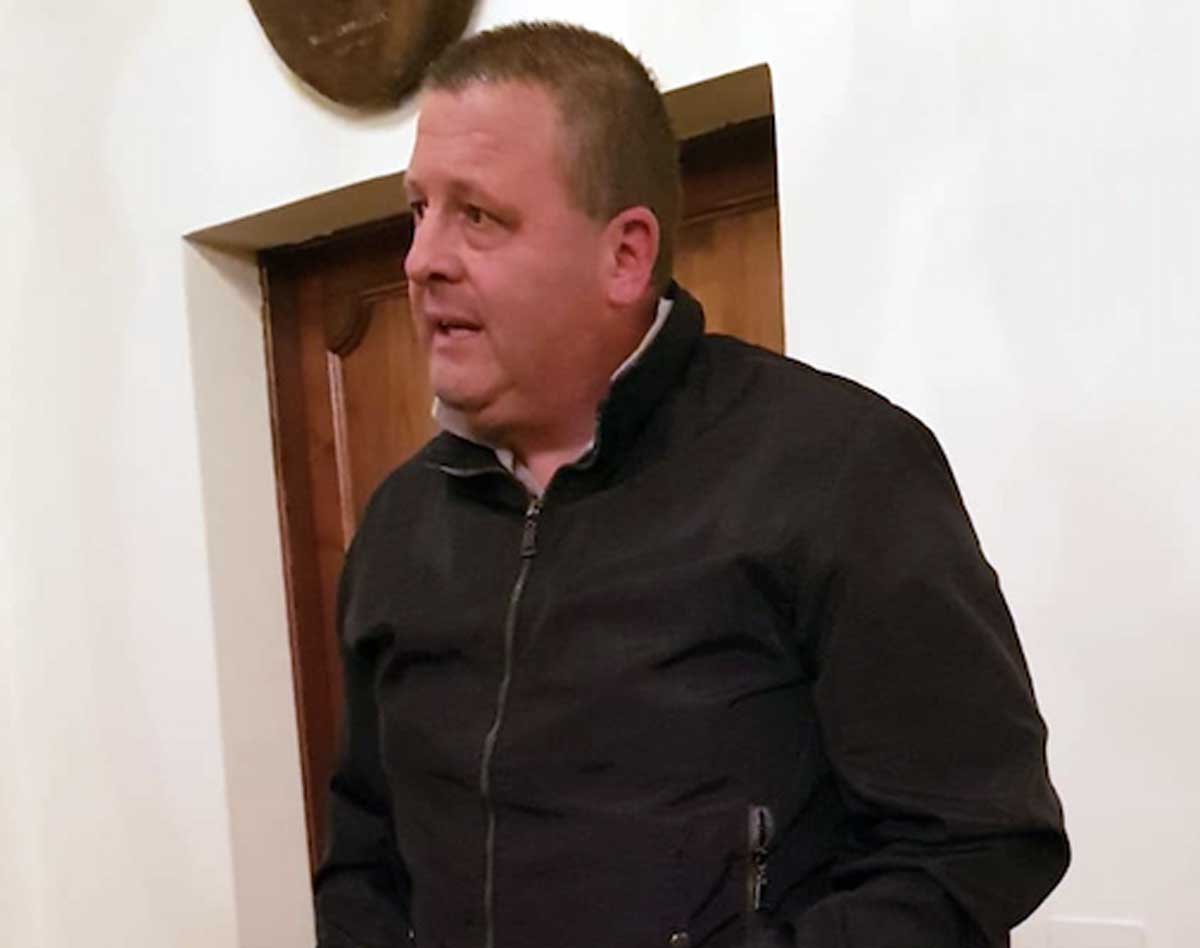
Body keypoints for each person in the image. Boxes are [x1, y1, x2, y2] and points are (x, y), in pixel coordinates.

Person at [313, 21, 1068, 948]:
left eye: (478, 216)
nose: (421, 259)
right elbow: (364, 858)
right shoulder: (398, 523)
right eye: (418, 210)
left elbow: (975, 844)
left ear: (625, 255)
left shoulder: (838, 469)